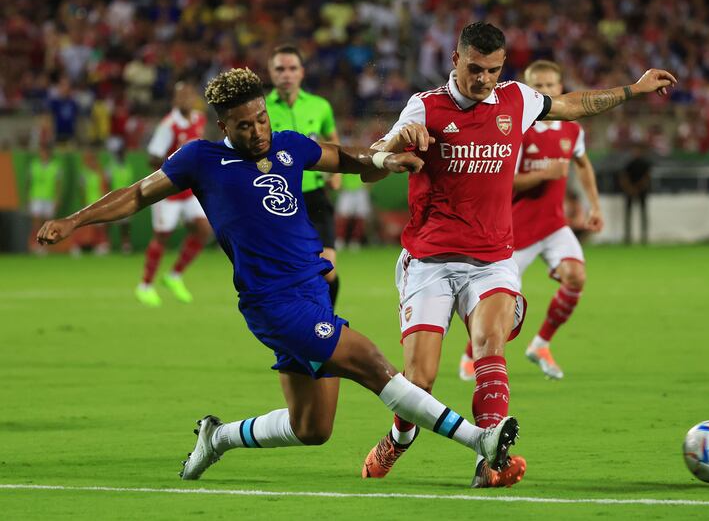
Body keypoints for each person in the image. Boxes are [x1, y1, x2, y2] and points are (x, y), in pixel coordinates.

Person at [37, 67, 520, 485]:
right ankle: (481, 438)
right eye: (245, 126)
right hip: (274, 304)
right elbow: (139, 193)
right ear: (224, 124)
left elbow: (344, 158)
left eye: (262, 118)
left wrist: (384, 160)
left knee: (313, 428)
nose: (258, 132)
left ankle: (219, 437)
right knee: (374, 363)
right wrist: (74, 221)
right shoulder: (201, 159)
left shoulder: (288, 146)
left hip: (312, 292)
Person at [360, 22, 675, 488]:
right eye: (474, 69)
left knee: (490, 347)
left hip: (493, 260)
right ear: (455, 60)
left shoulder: (516, 99)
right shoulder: (424, 108)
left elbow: (571, 105)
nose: (483, 79)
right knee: (419, 381)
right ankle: (398, 439)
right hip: (430, 260)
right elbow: (371, 168)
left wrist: (632, 90)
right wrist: (395, 146)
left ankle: (490, 462)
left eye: (493, 70)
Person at [459, 60, 605, 382]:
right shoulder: (516, 128)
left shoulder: (572, 128)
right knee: (500, 304)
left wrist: (594, 205)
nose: (545, 91)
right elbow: (501, 181)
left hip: (553, 224)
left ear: (560, 88)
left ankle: (540, 345)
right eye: (538, 86)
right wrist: (543, 173)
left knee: (576, 276)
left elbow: (582, 164)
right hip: (515, 229)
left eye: (551, 86)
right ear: (529, 91)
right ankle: (472, 352)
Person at [266, 45, 342, 306]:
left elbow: (331, 137)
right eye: (280, 69)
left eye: (292, 68)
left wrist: (336, 170)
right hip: (278, 200)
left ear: (302, 73)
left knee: (328, 269)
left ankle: (327, 319)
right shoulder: (261, 110)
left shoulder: (320, 106)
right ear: (271, 73)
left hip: (314, 195)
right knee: (290, 273)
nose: (286, 74)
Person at [136, 81, 211, 307]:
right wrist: (176, 165)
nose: (185, 100)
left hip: (189, 188)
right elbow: (153, 157)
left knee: (204, 229)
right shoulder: (168, 125)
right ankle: (145, 285)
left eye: (189, 95)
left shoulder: (199, 118)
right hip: (168, 189)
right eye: (181, 96)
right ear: (174, 101)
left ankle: (174, 275)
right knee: (163, 236)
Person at [26, 143, 61, 254]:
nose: (43, 154)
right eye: (41, 152)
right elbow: (28, 182)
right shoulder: (34, 165)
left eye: (45, 152)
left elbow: (58, 184)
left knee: (47, 225)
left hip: (49, 198)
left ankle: (45, 247)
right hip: (36, 197)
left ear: (49, 153)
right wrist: (28, 198)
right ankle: (34, 245)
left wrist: (57, 199)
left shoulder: (55, 166)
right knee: (36, 224)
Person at [619, 142, 653, 244]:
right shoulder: (629, 163)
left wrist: (637, 187)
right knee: (628, 214)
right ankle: (628, 237)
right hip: (630, 191)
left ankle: (644, 237)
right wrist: (630, 188)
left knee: (643, 214)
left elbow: (647, 177)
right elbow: (623, 177)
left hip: (641, 190)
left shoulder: (645, 163)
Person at [105, 137, 134, 253]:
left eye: (123, 152)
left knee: (125, 224)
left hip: (126, 198)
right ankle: (106, 243)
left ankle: (125, 244)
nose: (122, 154)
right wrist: (108, 198)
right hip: (113, 198)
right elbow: (107, 183)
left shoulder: (128, 166)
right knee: (108, 222)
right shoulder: (110, 166)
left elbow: (131, 183)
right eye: (120, 152)